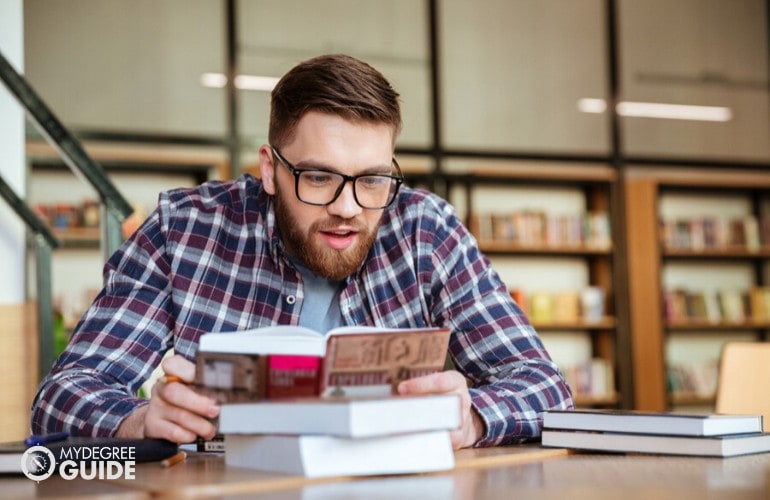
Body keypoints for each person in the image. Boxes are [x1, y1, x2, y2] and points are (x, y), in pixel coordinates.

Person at [31, 54, 573, 449]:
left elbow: (545, 384)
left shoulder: (424, 228)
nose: (348, 208)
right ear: (270, 168)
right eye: (318, 177)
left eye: (374, 179)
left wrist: (472, 417)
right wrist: (139, 420)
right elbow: (63, 394)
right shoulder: (184, 230)